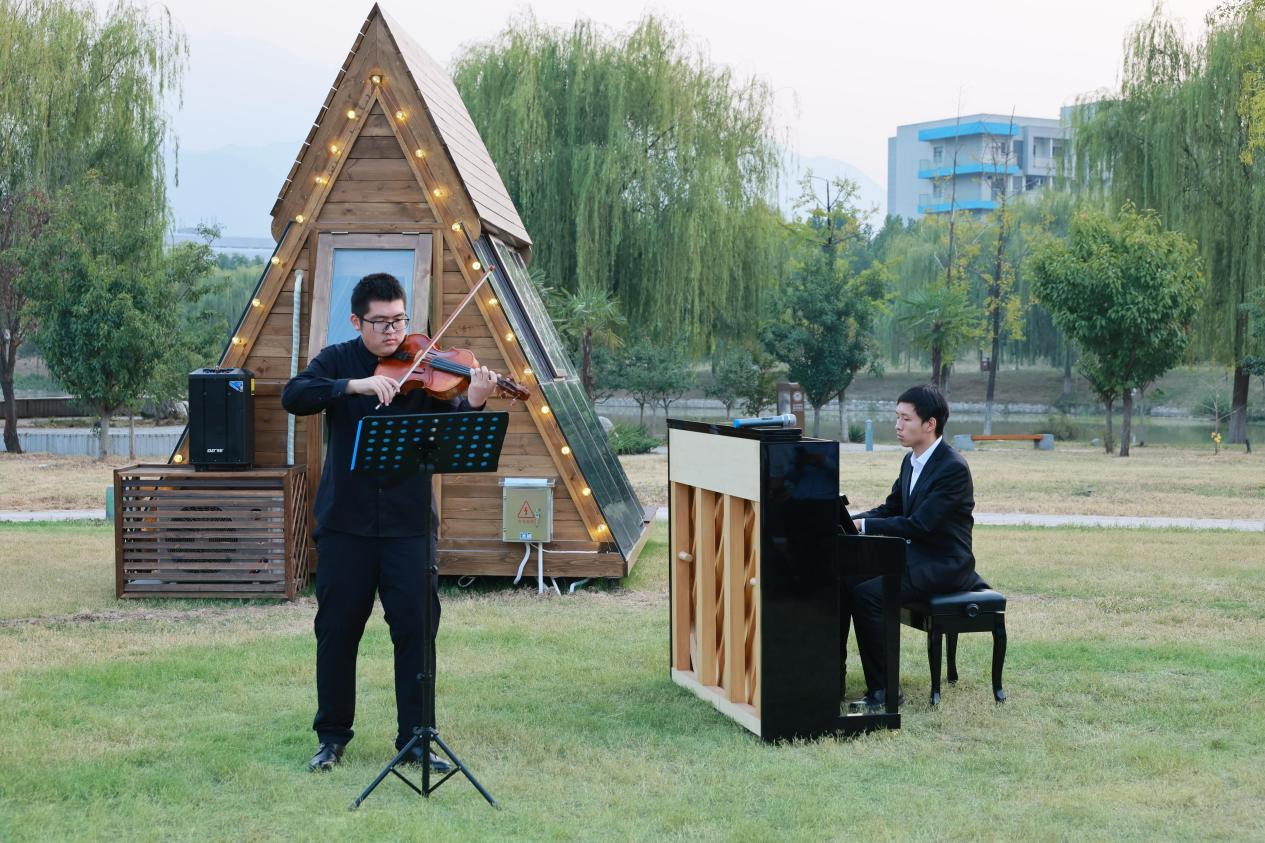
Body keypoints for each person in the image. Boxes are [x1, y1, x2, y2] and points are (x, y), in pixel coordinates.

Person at [282, 272, 499, 772]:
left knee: (417, 632)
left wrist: (476, 400)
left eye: (399, 320)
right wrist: (354, 386)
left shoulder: (426, 364)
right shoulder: (337, 360)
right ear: (356, 321)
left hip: (409, 525)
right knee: (337, 631)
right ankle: (332, 738)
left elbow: (455, 428)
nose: (393, 332)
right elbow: (295, 395)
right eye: (380, 322)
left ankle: (417, 739)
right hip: (346, 524)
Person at [843, 384, 984, 711]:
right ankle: (832, 676)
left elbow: (919, 524)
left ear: (930, 424)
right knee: (844, 579)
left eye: (906, 419)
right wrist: (850, 521)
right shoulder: (911, 461)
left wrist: (864, 527)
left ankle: (884, 692)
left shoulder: (952, 468)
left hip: (945, 564)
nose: (898, 425)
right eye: (897, 417)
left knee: (869, 596)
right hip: (914, 557)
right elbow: (891, 508)